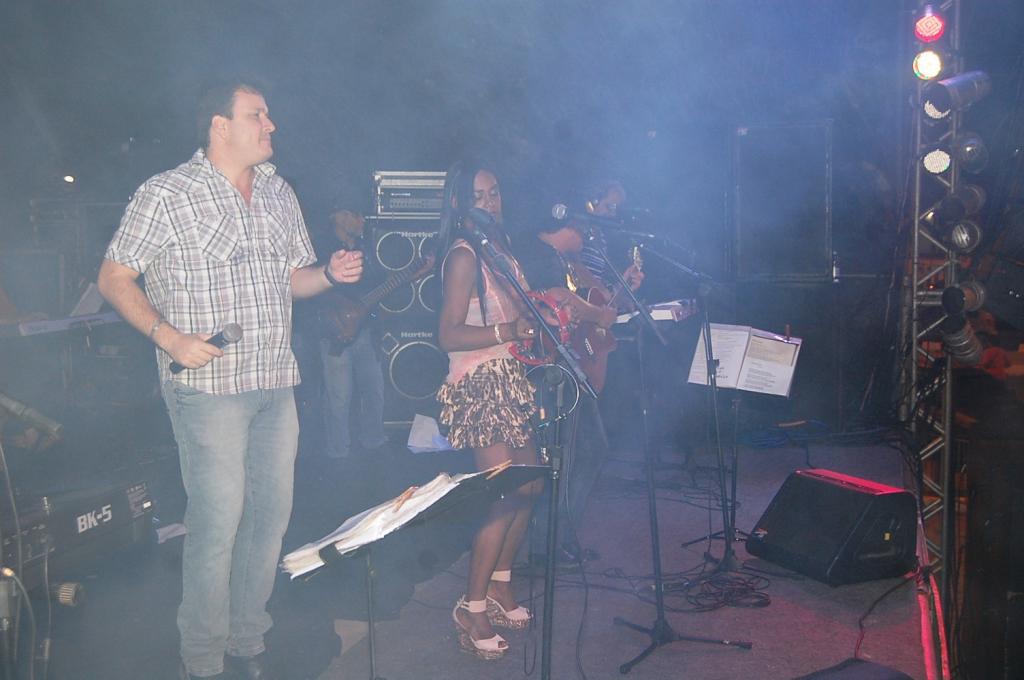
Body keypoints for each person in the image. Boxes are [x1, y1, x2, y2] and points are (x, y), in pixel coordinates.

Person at [97, 78, 363, 680]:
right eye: (257, 115)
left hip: (274, 381)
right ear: (220, 125)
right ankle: (201, 660)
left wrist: (330, 274)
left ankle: (247, 641)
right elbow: (114, 277)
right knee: (217, 524)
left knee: (269, 519)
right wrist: (169, 337)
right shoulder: (167, 193)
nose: (271, 125)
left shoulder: (277, 192)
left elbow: (293, 279)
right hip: (209, 391)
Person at [435, 161, 541, 660]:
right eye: (478, 196)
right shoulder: (463, 256)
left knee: (530, 486)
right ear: (458, 203)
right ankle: (470, 605)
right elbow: (447, 334)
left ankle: (500, 583)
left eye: (494, 193)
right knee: (501, 496)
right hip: (479, 384)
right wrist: (508, 331)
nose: (490, 203)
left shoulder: (499, 251)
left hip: (511, 378)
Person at [314, 208, 387, 460]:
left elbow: (379, 287)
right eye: (356, 214)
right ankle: (338, 452)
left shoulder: (368, 248)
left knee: (375, 391)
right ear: (339, 216)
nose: (362, 219)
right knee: (339, 398)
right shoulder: (320, 247)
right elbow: (310, 291)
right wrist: (342, 310)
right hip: (335, 335)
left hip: (366, 331)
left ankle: (374, 443)